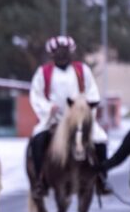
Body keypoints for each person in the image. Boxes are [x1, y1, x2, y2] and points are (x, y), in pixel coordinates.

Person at [29, 35, 107, 197]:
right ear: (52, 54)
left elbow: (92, 92)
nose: (62, 55)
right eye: (58, 52)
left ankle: (101, 178)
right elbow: (35, 95)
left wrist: (85, 111)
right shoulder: (43, 72)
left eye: (65, 52)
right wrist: (48, 108)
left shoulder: (82, 70)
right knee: (37, 140)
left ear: (71, 53)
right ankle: (40, 181)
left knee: (101, 140)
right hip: (54, 120)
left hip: (78, 119)